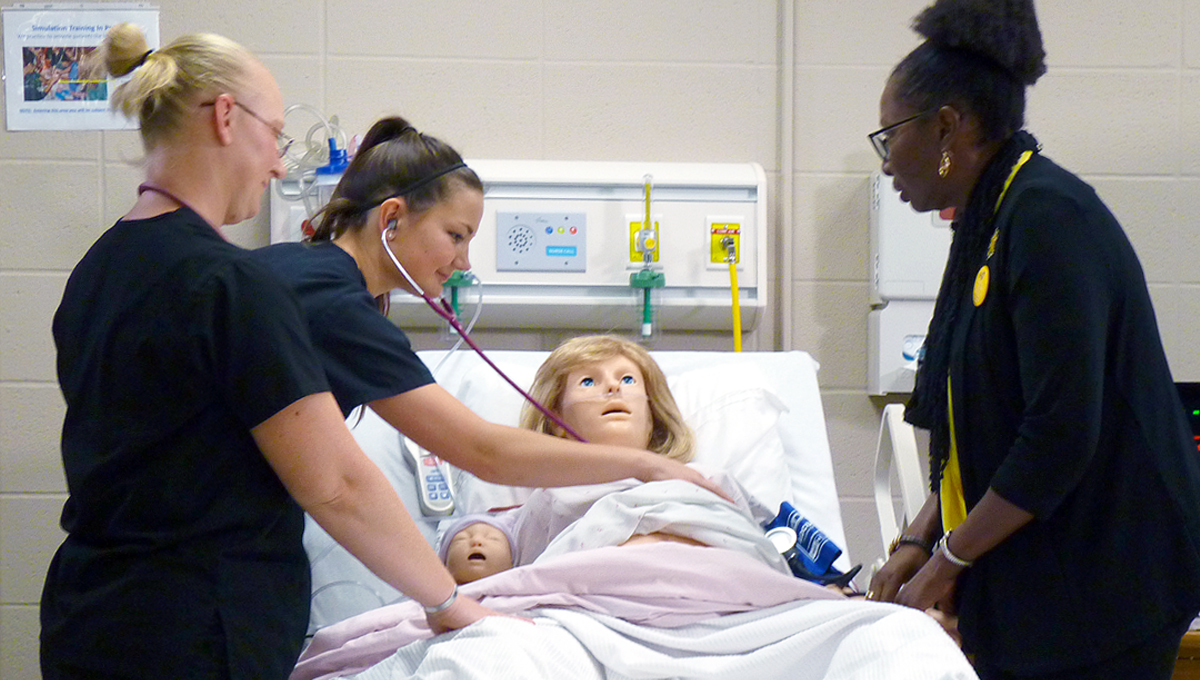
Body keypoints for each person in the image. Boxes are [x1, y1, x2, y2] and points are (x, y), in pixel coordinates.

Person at [41, 24, 501, 680]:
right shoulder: (231, 284)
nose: (281, 164)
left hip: (88, 618)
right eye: (276, 136)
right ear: (226, 117)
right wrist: (450, 603)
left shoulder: (97, 272)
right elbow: (335, 485)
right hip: (199, 634)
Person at [864, 1, 1200, 678]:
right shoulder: (991, 226)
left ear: (947, 127)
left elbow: (1058, 433)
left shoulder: (1049, 218)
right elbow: (985, 431)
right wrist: (918, 537)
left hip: (1111, 579)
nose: (887, 159)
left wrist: (947, 560)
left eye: (889, 134)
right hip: (1060, 573)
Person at [251, 117, 729, 501]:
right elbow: (482, 451)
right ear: (392, 217)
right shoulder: (334, 303)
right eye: (455, 236)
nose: (463, 263)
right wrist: (647, 466)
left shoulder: (306, 275)